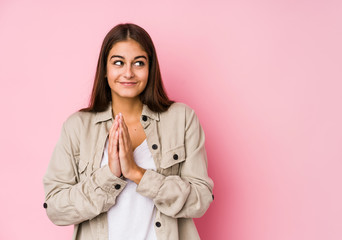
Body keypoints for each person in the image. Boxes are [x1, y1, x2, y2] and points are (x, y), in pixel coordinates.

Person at [43, 23, 214, 240]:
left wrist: (137, 174)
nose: (128, 73)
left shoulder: (182, 119)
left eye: (139, 63)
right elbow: (56, 209)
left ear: (150, 68)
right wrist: (109, 176)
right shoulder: (77, 127)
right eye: (118, 62)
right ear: (105, 69)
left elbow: (201, 199)